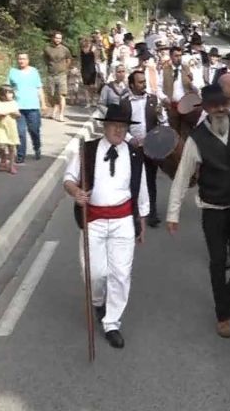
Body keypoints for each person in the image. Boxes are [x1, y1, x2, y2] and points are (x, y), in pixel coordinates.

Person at [165, 84, 230, 339]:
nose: (220, 110)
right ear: (206, 108)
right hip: (212, 208)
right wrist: (173, 214)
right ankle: (223, 315)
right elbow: (182, 178)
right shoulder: (196, 139)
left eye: (224, 105)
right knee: (217, 262)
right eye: (214, 106)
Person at [62, 103, 149, 349]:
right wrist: (76, 192)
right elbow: (68, 179)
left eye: (123, 127)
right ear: (105, 126)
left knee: (121, 274)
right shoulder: (87, 150)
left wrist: (141, 220)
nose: (119, 131)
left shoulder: (133, 155)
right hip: (94, 220)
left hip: (123, 221)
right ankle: (98, 301)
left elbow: (140, 189)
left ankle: (112, 323)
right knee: (94, 273)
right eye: (115, 126)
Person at [126, 70, 168, 228]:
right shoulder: (125, 102)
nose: (144, 84)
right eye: (140, 82)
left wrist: (162, 121)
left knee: (151, 179)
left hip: (151, 146)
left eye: (144, 81)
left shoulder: (153, 99)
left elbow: (164, 121)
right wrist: (131, 140)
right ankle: (135, 212)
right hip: (133, 148)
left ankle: (152, 212)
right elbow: (121, 127)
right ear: (132, 84)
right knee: (135, 179)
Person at [7, 52, 45, 164]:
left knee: (34, 130)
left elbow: (39, 88)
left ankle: (37, 147)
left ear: (28, 60)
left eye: (23, 59)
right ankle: (20, 155)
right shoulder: (12, 72)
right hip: (18, 107)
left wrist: (43, 103)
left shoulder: (34, 71)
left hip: (33, 106)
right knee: (20, 132)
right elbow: (7, 89)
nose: (21, 61)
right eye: (19, 59)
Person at [43, 32, 73, 122]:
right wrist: (49, 67)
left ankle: (61, 115)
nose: (58, 40)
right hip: (51, 74)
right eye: (56, 38)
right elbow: (45, 59)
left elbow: (69, 59)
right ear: (53, 38)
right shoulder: (47, 49)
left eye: (60, 38)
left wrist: (65, 69)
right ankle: (53, 111)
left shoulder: (65, 49)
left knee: (61, 95)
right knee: (51, 95)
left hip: (61, 75)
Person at [0, 85, 21, 174]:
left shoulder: (14, 103)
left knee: (12, 147)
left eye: (11, 93)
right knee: (2, 145)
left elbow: (18, 115)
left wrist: (14, 114)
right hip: (1, 127)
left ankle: (11, 165)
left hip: (11, 128)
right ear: (2, 95)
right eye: (8, 93)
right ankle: (3, 160)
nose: (11, 95)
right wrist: (0, 115)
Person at [79, 38, 99, 108]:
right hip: (84, 69)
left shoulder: (93, 48)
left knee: (92, 86)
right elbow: (81, 60)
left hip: (92, 69)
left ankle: (93, 100)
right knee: (86, 86)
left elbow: (96, 58)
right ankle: (88, 102)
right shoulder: (82, 50)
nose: (87, 43)